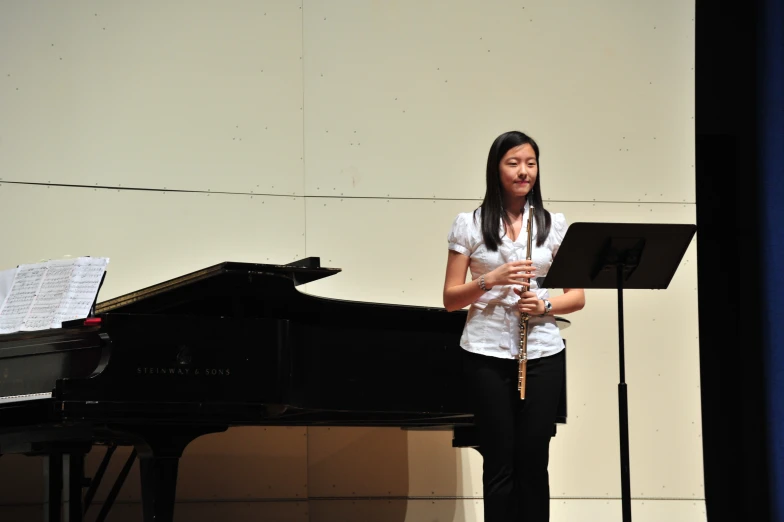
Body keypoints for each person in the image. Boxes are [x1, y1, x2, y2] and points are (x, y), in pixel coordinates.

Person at [443, 130, 585, 521]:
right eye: (514, 163)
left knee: (534, 463)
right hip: (486, 354)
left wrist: (544, 302)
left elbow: (578, 296)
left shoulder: (552, 224)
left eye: (531, 163)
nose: (524, 171)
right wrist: (494, 277)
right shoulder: (469, 224)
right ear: (496, 168)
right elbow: (451, 298)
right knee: (499, 464)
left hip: (542, 351)